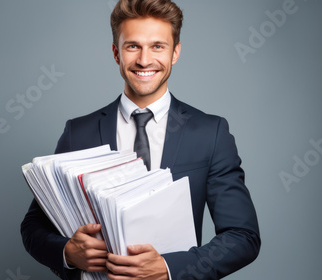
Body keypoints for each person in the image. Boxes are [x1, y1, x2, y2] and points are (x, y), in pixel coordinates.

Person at [21, 0, 260, 279]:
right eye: (133, 46)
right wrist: (67, 252)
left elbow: (243, 236)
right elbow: (34, 225)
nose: (144, 60)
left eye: (158, 46)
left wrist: (170, 269)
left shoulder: (210, 133)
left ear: (175, 52)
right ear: (116, 53)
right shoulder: (78, 133)